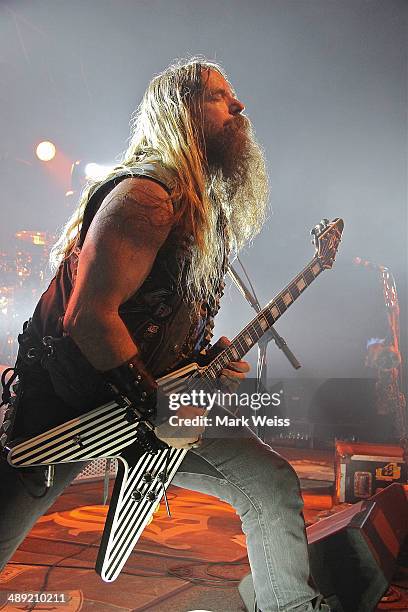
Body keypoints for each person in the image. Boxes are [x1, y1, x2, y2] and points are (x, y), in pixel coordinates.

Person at [0, 58, 329, 612]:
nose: (239, 106)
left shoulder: (204, 215)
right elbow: (89, 316)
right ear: (182, 111)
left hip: (139, 407)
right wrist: (157, 404)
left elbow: (155, 317)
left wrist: (203, 356)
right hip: (67, 408)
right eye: (222, 96)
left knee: (270, 486)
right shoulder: (146, 197)